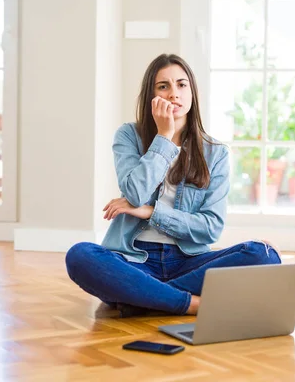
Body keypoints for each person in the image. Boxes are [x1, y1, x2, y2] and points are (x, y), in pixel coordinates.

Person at [65, 54, 281, 317]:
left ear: (192, 92)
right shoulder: (128, 136)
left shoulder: (216, 153)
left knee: (263, 254)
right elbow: (135, 193)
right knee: (80, 255)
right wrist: (164, 136)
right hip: (133, 260)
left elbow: (210, 229)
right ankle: (190, 304)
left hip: (188, 261)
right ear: (151, 95)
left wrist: (150, 212)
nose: (173, 94)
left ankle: (142, 297)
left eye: (181, 85)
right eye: (163, 86)